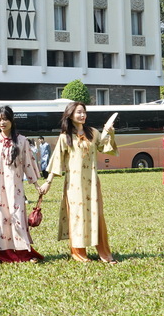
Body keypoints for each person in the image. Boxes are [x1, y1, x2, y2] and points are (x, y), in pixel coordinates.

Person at [39, 101, 119, 264]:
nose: (82, 115)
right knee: (77, 216)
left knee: (97, 215)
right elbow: (56, 160)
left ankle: (103, 252)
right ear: (70, 115)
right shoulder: (65, 137)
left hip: (92, 183)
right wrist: (48, 182)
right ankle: (79, 253)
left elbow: (105, 148)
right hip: (74, 185)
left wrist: (110, 133)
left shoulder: (94, 133)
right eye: (79, 112)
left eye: (84, 112)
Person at [0, 106, 44, 263]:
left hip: (15, 187)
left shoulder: (22, 140)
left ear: (12, 120)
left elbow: (28, 164)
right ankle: (3, 254)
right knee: (0, 218)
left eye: (5, 119)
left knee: (16, 217)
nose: (2, 122)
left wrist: (36, 184)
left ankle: (23, 254)